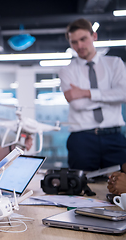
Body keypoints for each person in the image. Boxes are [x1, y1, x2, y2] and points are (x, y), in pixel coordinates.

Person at [58, 18, 126, 171]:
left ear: (94, 36)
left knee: (122, 186)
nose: (79, 46)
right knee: (80, 189)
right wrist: (110, 97)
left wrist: (85, 93)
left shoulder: (115, 63)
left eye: (83, 39)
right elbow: (77, 104)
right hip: (82, 139)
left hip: (114, 137)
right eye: (74, 42)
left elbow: (124, 95)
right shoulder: (66, 71)